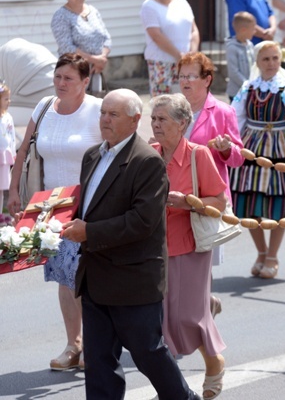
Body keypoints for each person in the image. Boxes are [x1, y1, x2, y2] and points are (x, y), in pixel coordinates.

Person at [63, 89, 200, 400]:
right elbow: (88, 208)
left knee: (148, 353)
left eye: (114, 114)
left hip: (133, 278)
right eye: (103, 113)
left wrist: (90, 232)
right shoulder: (93, 155)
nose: (105, 119)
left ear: (135, 120)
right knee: (98, 362)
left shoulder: (147, 161)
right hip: (96, 275)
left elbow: (142, 221)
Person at [7, 53, 103, 371]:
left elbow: (118, 153)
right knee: (65, 278)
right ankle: (72, 345)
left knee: (87, 277)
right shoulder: (44, 106)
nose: (61, 84)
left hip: (90, 207)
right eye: (58, 77)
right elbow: (23, 151)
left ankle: (94, 343)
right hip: (51, 208)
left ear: (86, 82)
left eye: (69, 79)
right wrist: (12, 191)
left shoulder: (98, 110)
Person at [150, 94, 228, 400]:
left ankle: (214, 362)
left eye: (162, 119)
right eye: (153, 119)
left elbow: (218, 202)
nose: (155, 124)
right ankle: (172, 388)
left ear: (182, 124)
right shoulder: (149, 153)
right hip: (154, 248)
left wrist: (188, 203)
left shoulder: (198, 155)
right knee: (162, 322)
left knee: (184, 320)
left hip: (189, 246)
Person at [229, 41, 285, 279]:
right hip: (253, 147)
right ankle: (261, 251)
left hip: (281, 147)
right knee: (248, 205)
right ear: (257, 62)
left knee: (281, 204)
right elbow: (235, 118)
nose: (271, 64)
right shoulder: (248, 88)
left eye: (275, 58)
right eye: (266, 59)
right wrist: (233, 144)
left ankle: (272, 255)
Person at [178, 51, 245, 313]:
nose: (185, 81)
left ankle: (200, 314)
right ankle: (204, 306)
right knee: (177, 259)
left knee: (201, 258)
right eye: (182, 76)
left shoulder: (222, 112)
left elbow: (238, 159)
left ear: (207, 80)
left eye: (191, 76)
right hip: (176, 195)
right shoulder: (173, 107)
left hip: (207, 197)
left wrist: (226, 149)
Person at [140, 0, 199, 97]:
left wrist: (191, 55)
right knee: (163, 103)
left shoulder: (182, 2)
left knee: (185, 101)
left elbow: (194, 29)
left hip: (185, 63)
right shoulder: (149, 6)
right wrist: (179, 55)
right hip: (162, 62)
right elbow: (156, 36)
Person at [50, 0, 111, 90]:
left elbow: (106, 38)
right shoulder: (61, 16)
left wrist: (102, 58)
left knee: (96, 104)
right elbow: (66, 47)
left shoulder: (93, 11)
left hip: (95, 70)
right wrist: (95, 59)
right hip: (74, 71)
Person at [226, 12, 256, 102]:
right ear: (243, 30)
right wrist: (247, 85)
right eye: (253, 29)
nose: (254, 32)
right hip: (237, 92)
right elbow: (233, 72)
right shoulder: (232, 47)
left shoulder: (250, 45)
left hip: (251, 91)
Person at [0, 80, 15, 213]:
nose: (8, 102)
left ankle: (0, 213)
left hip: (4, 157)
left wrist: (13, 151)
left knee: (1, 188)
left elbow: (12, 135)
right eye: (5, 99)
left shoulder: (8, 117)